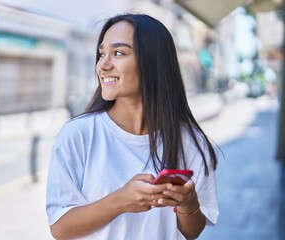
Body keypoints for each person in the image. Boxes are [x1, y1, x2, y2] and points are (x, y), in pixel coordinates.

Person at [46, 13, 218, 240]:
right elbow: (60, 228)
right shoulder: (78, 135)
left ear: (152, 62)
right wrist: (120, 201)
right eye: (101, 54)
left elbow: (191, 231)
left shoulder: (189, 141)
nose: (103, 65)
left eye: (118, 53)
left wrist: (188, 202)